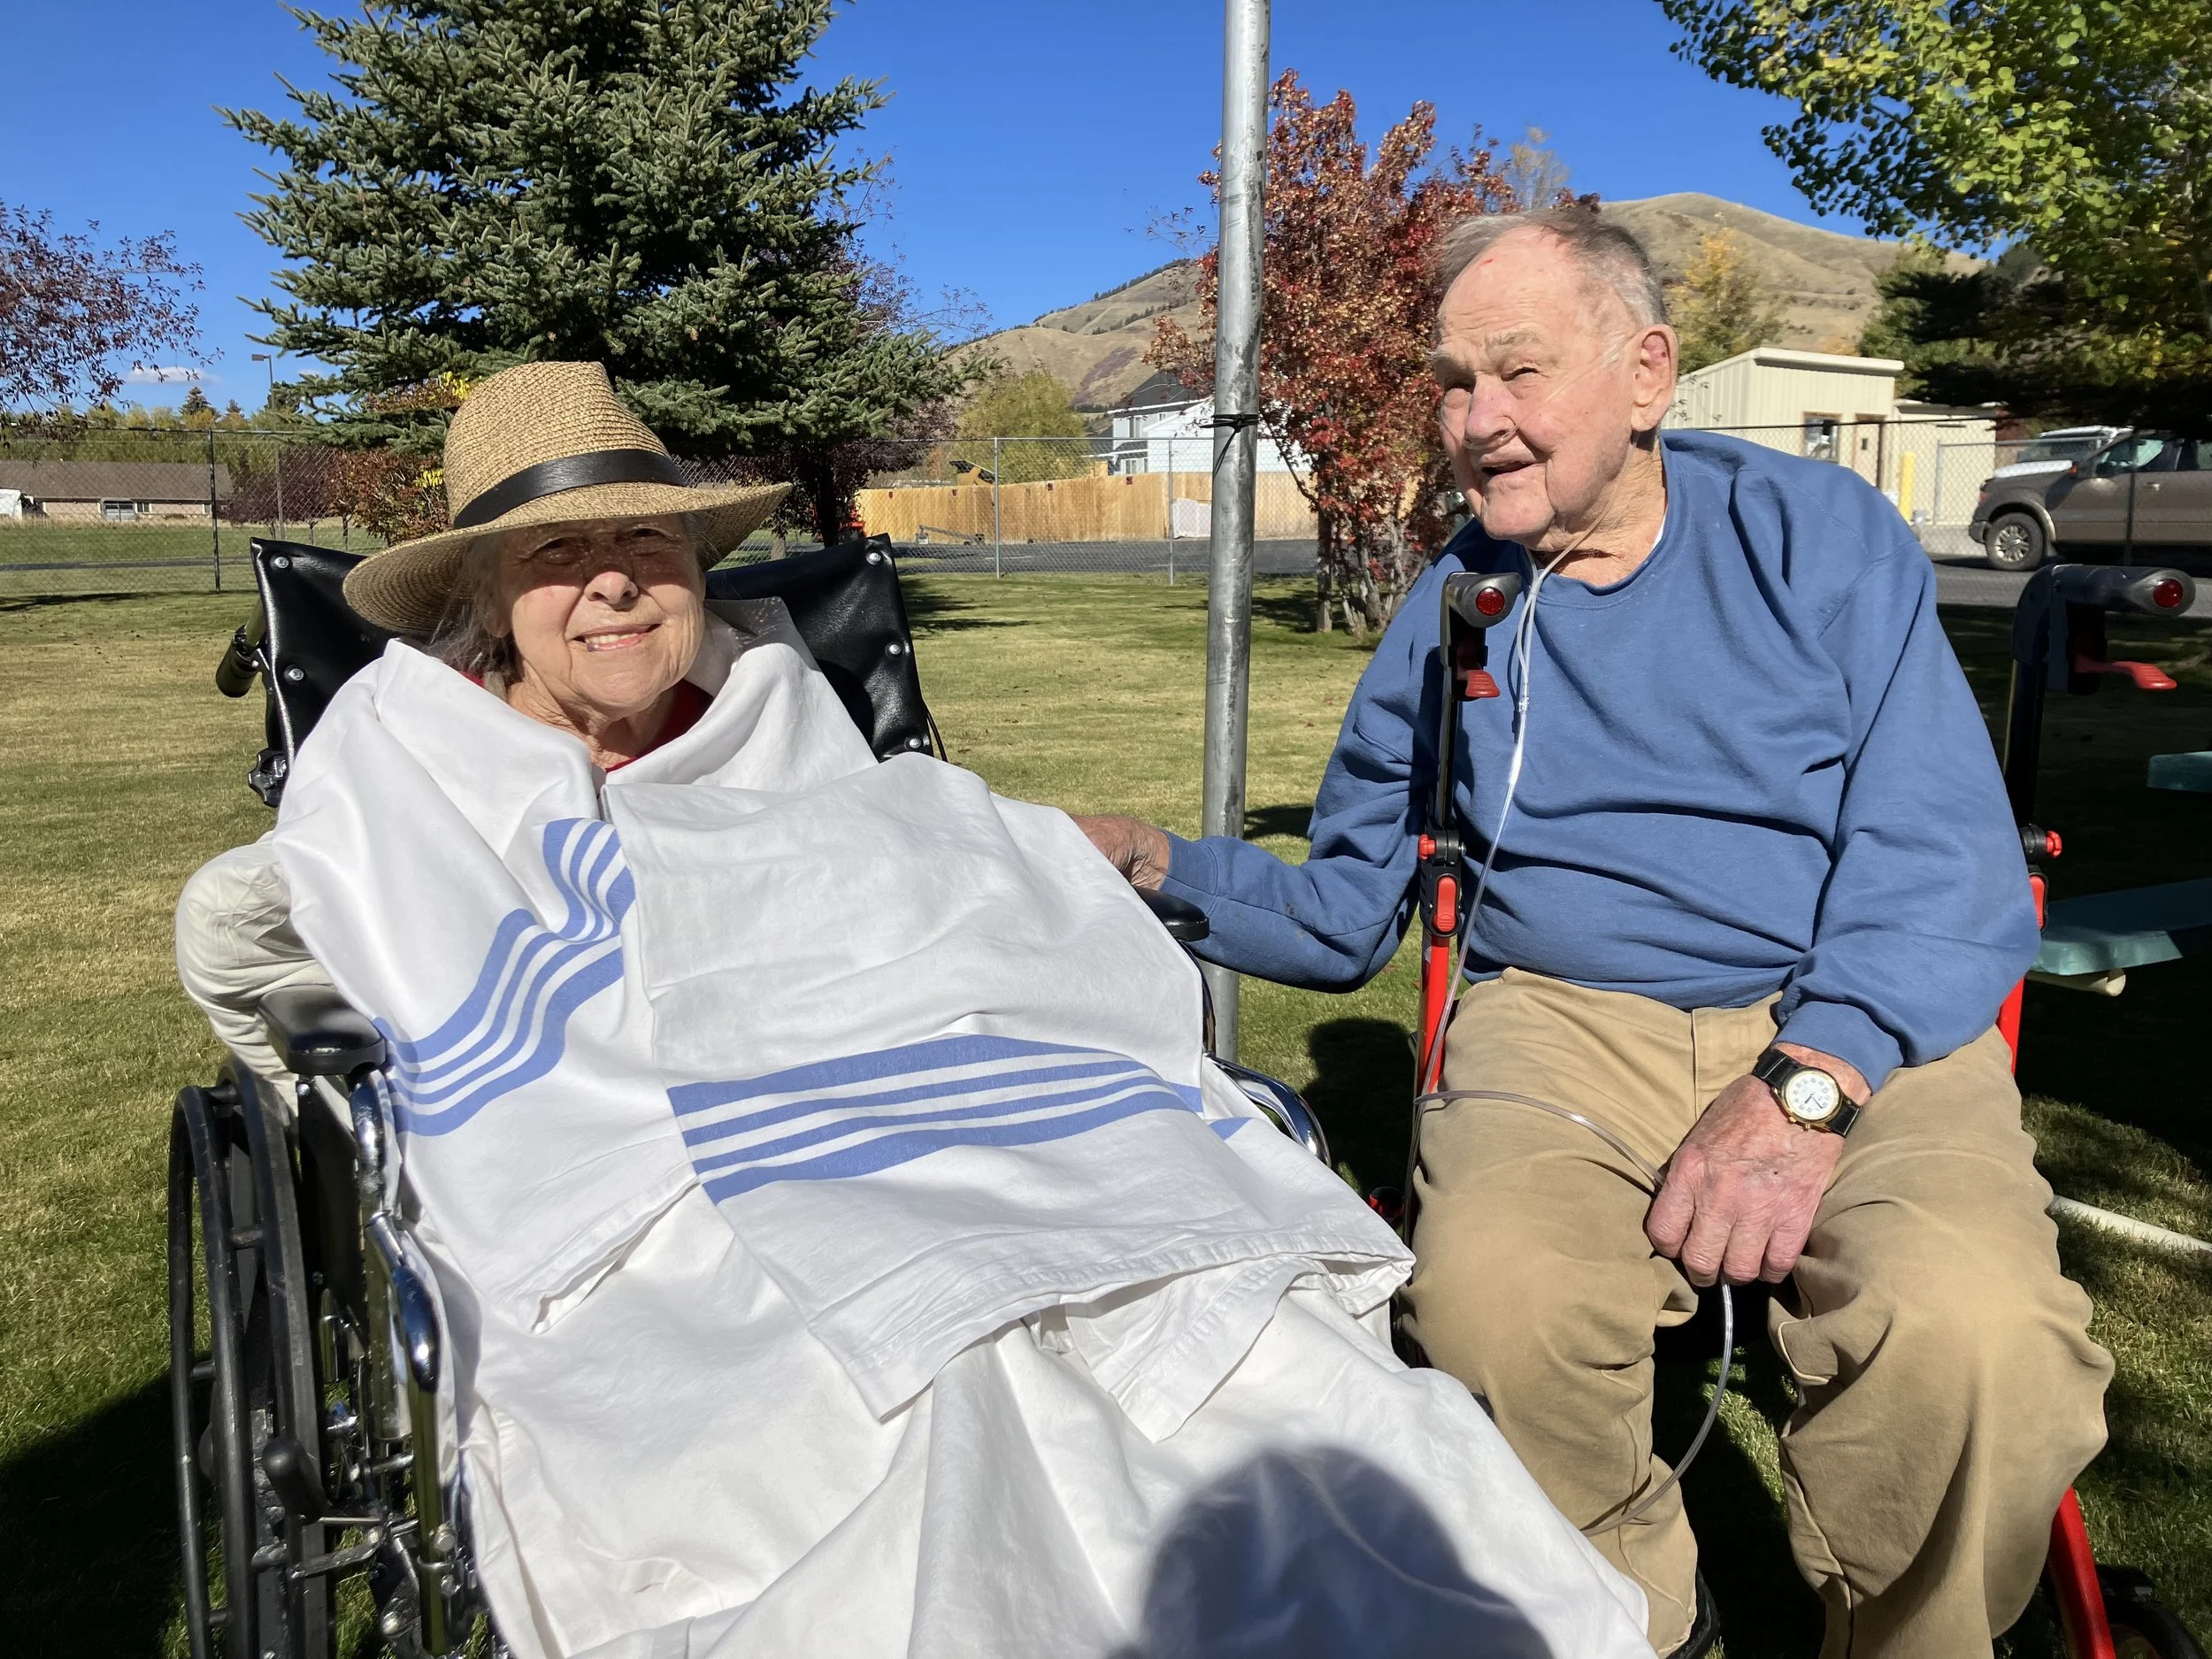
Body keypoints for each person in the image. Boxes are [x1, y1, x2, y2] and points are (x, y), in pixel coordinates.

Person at [174, 361, 1656, 1659]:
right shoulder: (418, 757)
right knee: (922, 1400)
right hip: (669, 1182)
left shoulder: (775, 701)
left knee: (1269, 1373)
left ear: (698, 563)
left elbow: (918, 874)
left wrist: (1019, 864)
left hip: (947, 1122)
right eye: (558, 550)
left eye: (646, 537)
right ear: (483, 595)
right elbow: (290, 929)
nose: (614, 578)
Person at [1077, 209, 2113, 1659]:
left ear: (1647, 376)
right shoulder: (1457, 606)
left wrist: (1807, 1087)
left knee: (1982, 1334)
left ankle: (1916, 1636)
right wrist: (1151, 861)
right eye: (1452, 380)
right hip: (1561, 1016)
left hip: (1845, 1010)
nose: (1476, 420)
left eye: (1518, 371)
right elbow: (1346, 908)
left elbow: (1941, 857)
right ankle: (1631, 1624)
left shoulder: (1816, 541)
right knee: (1497, 1303)